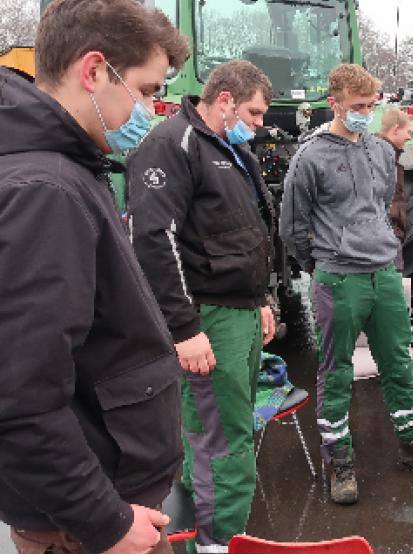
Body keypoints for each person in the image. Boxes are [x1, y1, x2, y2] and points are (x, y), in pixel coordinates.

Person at [0, 1, 189, 553]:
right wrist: (103, 520)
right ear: (94, 72)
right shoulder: (45, 191)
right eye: (148, 90)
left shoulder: (70, 168)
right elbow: (19, 393)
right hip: (92, 525)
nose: (153, 111)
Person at [127, 60, 278, 553]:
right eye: (253, 112)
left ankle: (203, 527)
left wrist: (260, 300)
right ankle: (218, 543)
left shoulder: (234, 153)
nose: (259, 123)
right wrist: (184, 328)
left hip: (240, 314)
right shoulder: (173, 144)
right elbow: (154, 239)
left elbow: (249, 234)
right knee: (227, 443)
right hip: (208, 319)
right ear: (225, 99)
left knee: (216, 432)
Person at [280, 64, 413, 506]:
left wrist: (390, 256)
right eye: (357, 106)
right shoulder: (310, 157)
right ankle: (339, 459)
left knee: (398, 360)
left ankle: (412, 441)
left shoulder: (381, 151)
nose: (365, 113)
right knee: (337, 369)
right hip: (338, 278)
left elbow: (381, 210)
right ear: (335, 104)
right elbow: (292, 227)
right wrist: (322, 264)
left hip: (383, 275)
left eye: (371, 105)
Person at [376, 107, 413, 272]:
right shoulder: (382, 158)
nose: (409, 136)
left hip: (387, 238)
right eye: (408, 131)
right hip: (385, 241)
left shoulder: (388, 155)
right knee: (392, 293)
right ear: (396, 129)